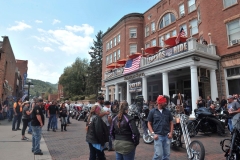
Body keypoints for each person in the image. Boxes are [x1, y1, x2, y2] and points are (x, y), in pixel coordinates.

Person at [148, 95, 174, 160]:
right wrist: (153, 134)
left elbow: (171, 122)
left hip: (167, 136)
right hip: (158, 137)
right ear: (159, 102)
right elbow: (149, 123)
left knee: (167, 156)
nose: (165, 103)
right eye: (164, 102)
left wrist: (171, 133)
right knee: (159, 155)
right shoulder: (153, 112)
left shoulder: (167, 112)